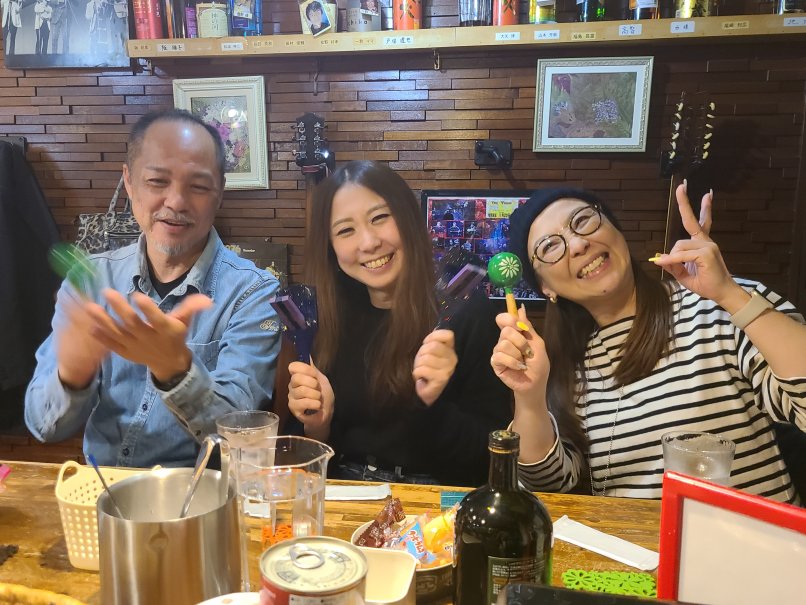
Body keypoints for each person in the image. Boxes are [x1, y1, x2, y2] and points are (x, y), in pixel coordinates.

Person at [491, 183, 806, 503]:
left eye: (583, 220)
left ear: (615, 228)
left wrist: (729, 294)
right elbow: (550, 485)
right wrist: (529, 397)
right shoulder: (568, 366)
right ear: (546, 287)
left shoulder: (718, 306)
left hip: (753, 534)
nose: (577, 244)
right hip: (633, 537)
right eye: (549, 246)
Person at [25, 109, 282, 468]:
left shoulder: (253, 292)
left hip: (199, 492)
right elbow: (42, 426)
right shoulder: (90, 281)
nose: (176, 202)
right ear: (129, 183)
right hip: (105, 489)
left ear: (219, 193)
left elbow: (240, 437)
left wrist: (176, 370)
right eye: (157, 181)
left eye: (198, 186)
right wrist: (72, 375)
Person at [286, 160, 512, 486]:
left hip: (438, 495)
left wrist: (432, 405)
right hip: (347, 490)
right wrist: (318, 425)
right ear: (330, 247)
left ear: (408, 218)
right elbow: (307, 456)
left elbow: (492, 453)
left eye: (380, 218)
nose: (368, 242)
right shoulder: (323, 316)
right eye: (345, 230)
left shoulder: (465, 311)